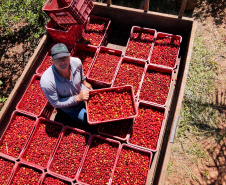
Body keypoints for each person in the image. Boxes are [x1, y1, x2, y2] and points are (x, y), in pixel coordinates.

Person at [40, 43, 92, 124]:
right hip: (70, 107)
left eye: (65, 57)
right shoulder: (47, 81)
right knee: (87, 120)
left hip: (81, 91)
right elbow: (56, 103)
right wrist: (77, 98)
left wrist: (84, 82)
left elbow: (81, 72)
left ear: (69, 57)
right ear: (52, 60)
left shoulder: (77, 62)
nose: (62, 61)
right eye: (58, 59)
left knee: (100, 105)